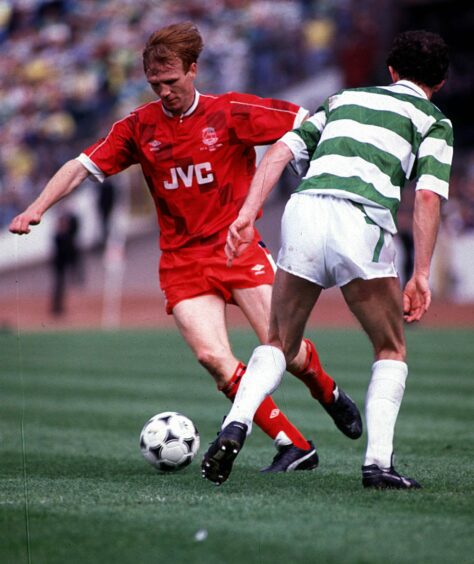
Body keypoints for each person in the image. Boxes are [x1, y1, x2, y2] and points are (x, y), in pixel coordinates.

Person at [9, 22, 361, 474]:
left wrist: (329, 174)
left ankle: (327, 391)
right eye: (155, 84)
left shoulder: (232, 111)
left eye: (171, 82)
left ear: (193, 70)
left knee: (287, 353)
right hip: (182, 261)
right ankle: (293, 444)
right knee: (214, 359)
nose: (164, 92)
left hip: (239, 250)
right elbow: (80, 166)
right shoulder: (139, 127)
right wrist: (36, 207)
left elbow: (307, 123)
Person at [202, 30, 452, 488]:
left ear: (391, 71)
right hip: (360, 218)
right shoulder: (434, 120)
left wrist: (245, 215)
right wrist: (420, 274)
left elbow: (280, 150)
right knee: (390, 348)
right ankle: (378, 465)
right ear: (440, 81)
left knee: (278, 341)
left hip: (304, 210)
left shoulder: (344, 99)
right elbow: (429, 198)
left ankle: (235, 422)